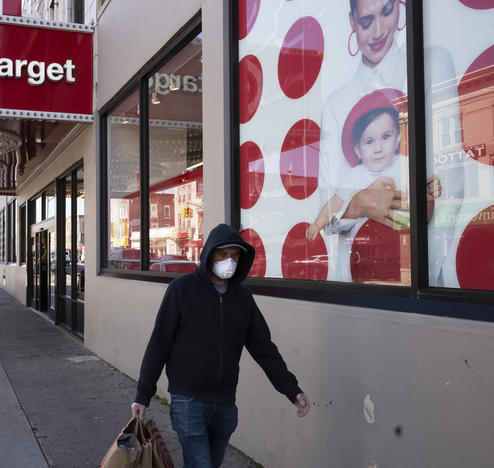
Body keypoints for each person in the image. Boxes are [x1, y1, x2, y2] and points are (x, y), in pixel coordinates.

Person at [131, 223, 309, 468]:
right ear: (208, 254)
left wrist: (292, 390)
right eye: (222, 254)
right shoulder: (181, 290)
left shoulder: (243, 298)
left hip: (225, 403)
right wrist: (143, 395)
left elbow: (264, 348)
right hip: (188, 400)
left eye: (235, 256)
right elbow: (159, 344)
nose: (229, 262)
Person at [318, 0, 462, 284]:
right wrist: (360, 202)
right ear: (351, 21)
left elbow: (451, 180)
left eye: (386, 12)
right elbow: (328, 210)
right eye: (365, 21)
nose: (379, 30)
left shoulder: (431, 64)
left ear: (400, 7)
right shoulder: (336, 104)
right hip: (354, 276)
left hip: (421, 273)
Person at [308, 107, 442, 243]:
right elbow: (335, 203)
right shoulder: (355, 176)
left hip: (402, 240)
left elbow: (419, 217)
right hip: (368, 244)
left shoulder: (404, 164)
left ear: (397, 139)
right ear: (358, 150)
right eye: (369, 142)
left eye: (385, 137)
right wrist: (318, 223)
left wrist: (428, 199)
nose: (378, 149)